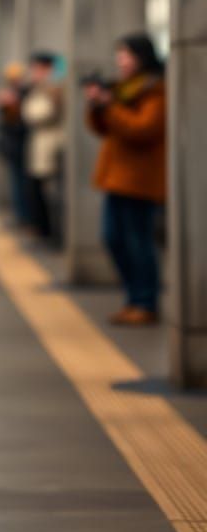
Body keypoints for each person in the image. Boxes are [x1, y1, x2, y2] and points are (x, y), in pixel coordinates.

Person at [84, 33, 165, 325]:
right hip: (118, 178)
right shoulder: (124, 88)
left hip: (140, 180)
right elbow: (101, 128)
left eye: (126, 54)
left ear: (142, 57)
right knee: (115, 239)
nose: (121, 60)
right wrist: (97, 106)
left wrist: (109, 106)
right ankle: (134, 299)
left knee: (138, 243)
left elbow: (143, 129)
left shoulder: (156, 90)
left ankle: (145, 302)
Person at [20, 51, 64, 243]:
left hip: (50, 146)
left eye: (37, 69)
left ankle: (51, 232)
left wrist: (28, 111)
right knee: (38, 189)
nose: (34, 73)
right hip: (40, 145)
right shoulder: (39, 88)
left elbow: (41, 113)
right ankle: (42, 228)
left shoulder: (54, 88)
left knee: (49, 191)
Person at [0, 61, 30, 226]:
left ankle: (24, 216)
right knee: (17, 182)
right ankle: (20, 215)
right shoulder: (12, 95)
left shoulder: (24, 95)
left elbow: (22, 122)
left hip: (22, 145)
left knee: (22, 183)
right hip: (14, 145)